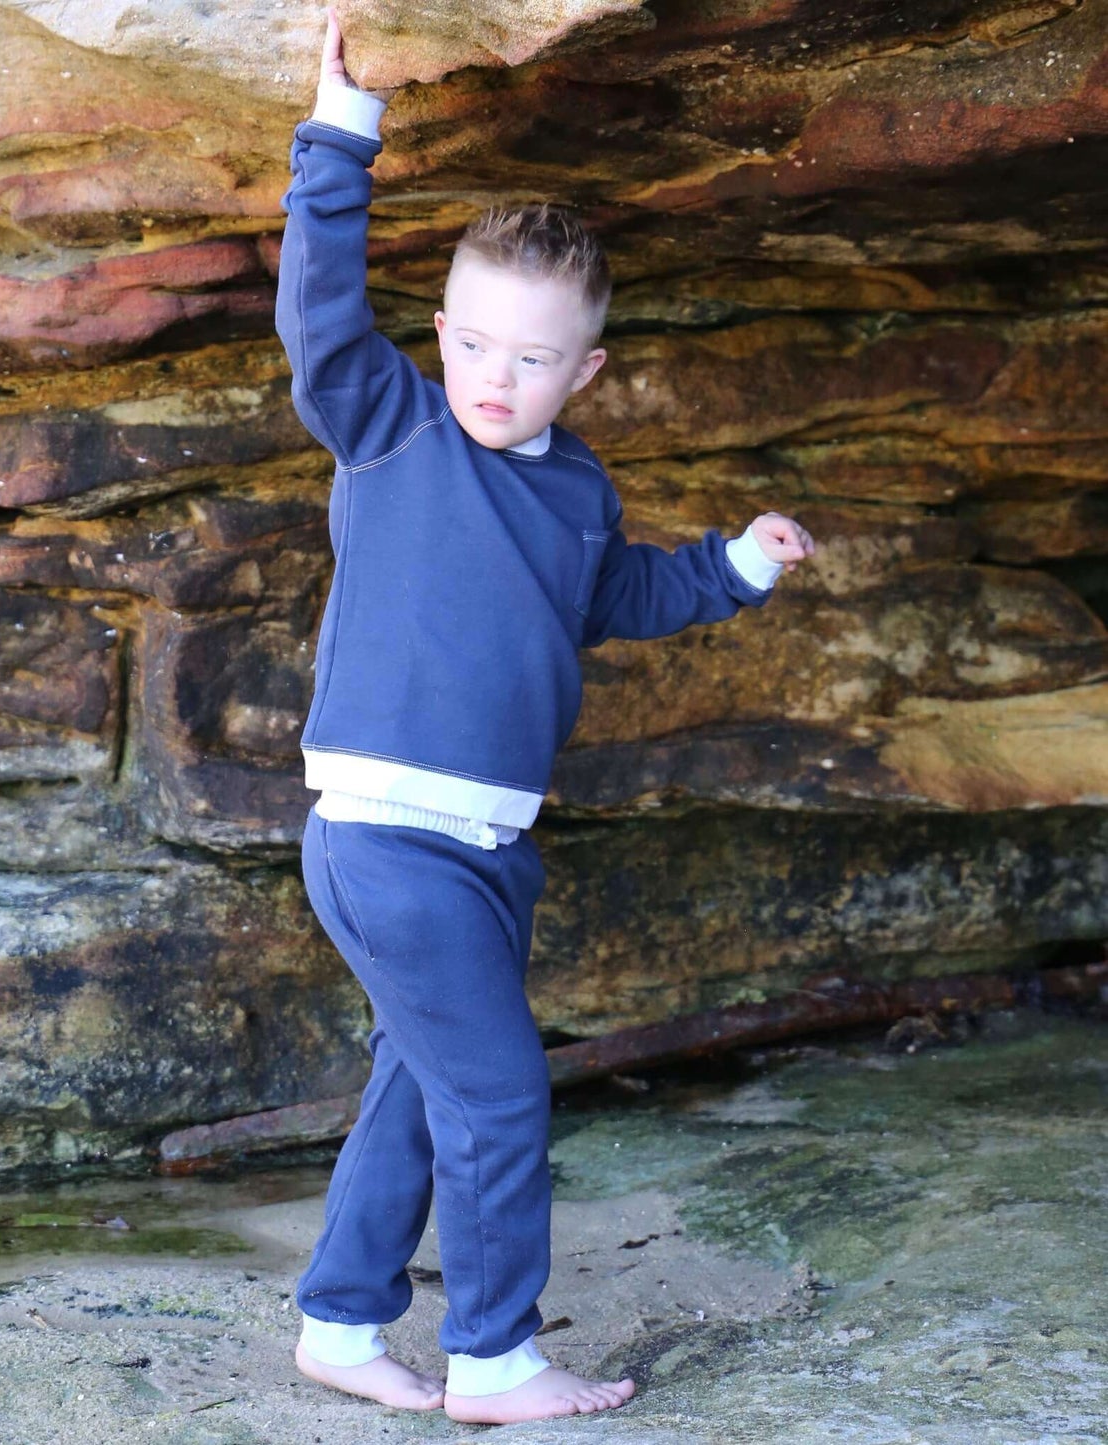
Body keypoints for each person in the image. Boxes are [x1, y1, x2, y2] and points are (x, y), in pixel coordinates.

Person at [275, 9, 815, 1426]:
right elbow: (321, 312)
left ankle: (339, 1318)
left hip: (490, 845)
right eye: (475, 343)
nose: (495, 378)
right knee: (501, 1097)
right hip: (384, 838)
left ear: (583, 372)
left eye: (532, 359)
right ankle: (495, 1358)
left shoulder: (574, 490)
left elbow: (611, 596)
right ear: (440, 332)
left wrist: (734, 567)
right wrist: (336, 140)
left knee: (419, 1077)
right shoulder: (391, 424)